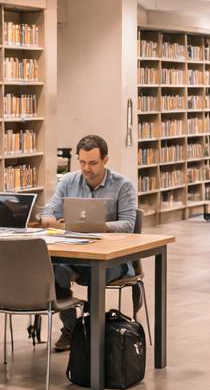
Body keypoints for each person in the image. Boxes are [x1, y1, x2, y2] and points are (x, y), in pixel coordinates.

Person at [37, 134, 138, 351]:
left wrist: (99, 226)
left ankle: (92, 331)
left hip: (112, 259)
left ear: (105, 160)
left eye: (92, 163)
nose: (86, 168)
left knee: (95, 272)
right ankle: (73, 329)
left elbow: (129, 224)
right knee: (52, 271)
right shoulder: (68, 181)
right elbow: (48, 209)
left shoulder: (123, 186)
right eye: (82, 162)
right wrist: (47, 219)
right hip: (75, 253)